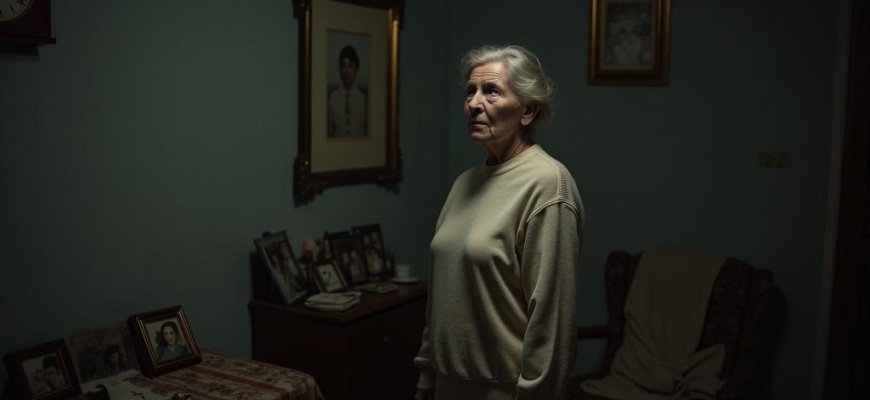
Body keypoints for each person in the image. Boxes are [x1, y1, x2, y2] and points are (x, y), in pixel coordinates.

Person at [413, 45, 585, 400]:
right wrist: (427, 376)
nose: (474, 103)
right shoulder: (464, 183)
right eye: (470, 92)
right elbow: (441, 297)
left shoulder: (548, 184)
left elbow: (552, 321)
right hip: (447, 384)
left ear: (527, 110)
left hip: (503, 390)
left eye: (491, 91)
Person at [328, 45, 367, 137]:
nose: (346, 71)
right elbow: (329, 131)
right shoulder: (332, 97)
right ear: (339, 69)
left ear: (356, 69)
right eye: (343, 66)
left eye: (350, 66)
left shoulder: (363, 98)